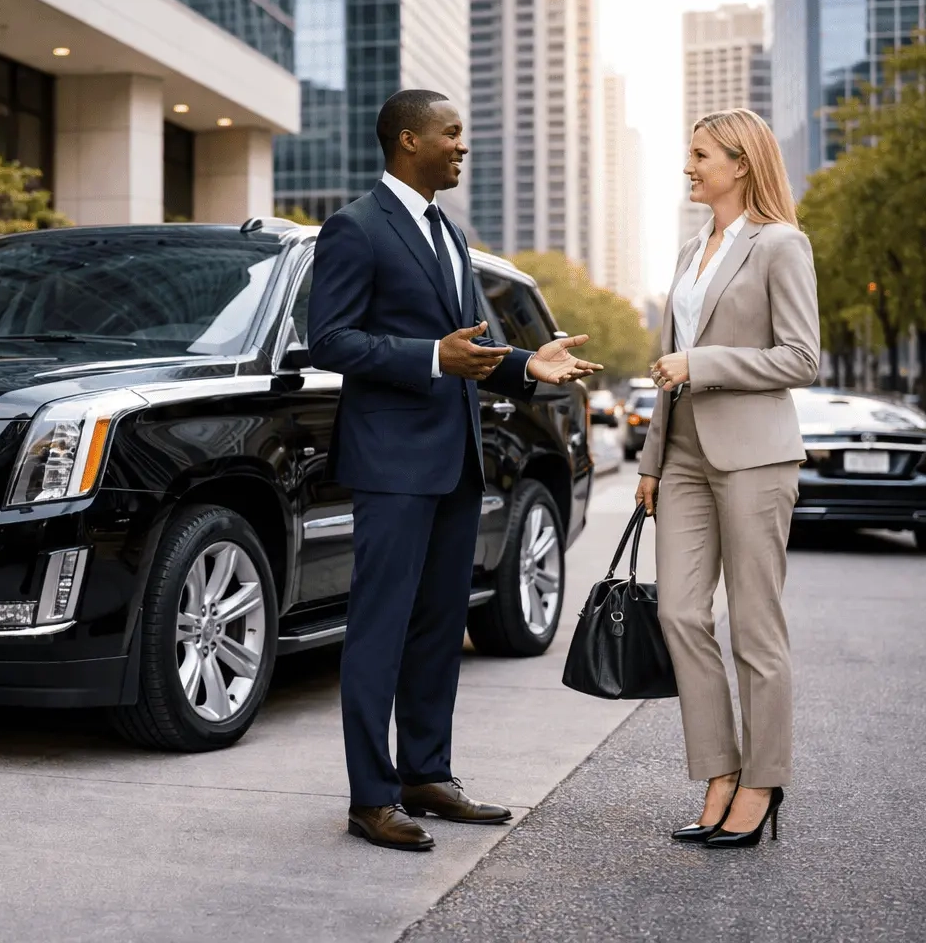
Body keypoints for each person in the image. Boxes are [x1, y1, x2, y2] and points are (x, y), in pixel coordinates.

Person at [309, 89, 601, 851]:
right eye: (452, 133)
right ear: (410, 140)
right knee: (379, 631)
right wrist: (429, 357)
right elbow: (329, 339)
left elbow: (467, 347)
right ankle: (371, 798)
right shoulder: (354, 227)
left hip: (456, 460)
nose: (462, 145)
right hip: (391, 464)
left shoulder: (449, 230)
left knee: (440, 627)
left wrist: (527, 365)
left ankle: (426, 775)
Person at [635, 108, 819, 849]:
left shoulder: (781, 244)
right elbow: (666, 370)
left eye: (701, 154)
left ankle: (762, 782)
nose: (689, 165)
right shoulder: (690, 251)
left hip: (754, 457)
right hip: (682, 455)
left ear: (741, 164)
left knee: (753, 625)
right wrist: (651, 462)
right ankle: (719, 770)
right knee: (680, 613)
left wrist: (703, 364)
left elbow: (801, 357)